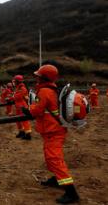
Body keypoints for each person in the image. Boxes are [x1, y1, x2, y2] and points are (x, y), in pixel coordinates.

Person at [24, 64, 79, 204]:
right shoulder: (51, 90)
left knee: (54, 159)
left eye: (38, 76)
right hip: (53, 130)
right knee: (50, 158)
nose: (36, 78)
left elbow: (37, 111)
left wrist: (28, 109)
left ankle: (71, 192)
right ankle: (56, 180)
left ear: (44, 78)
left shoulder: (44, 92)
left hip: (53, 131)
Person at [12, 75, 32, 140]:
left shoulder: (22, 88)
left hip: (22, 107)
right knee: (18, 120)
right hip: (18, 106)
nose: (14, 82)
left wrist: (12, 97)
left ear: (18, 81)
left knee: (24, 120)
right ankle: (21, 132)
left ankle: (28, 134)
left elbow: (18, 97)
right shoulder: (18, 87)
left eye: (15, 81)